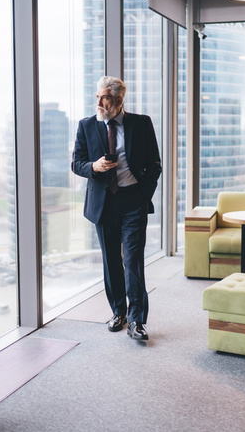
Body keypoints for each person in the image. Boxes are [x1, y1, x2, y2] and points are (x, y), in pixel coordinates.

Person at [71, 76, 161, 341]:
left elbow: (154, 164)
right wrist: (94, 167)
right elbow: (76, 163)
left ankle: (137, 321)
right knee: (111, 261)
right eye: (97, 96)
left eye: (104, 98)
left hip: (133, 200)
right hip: (103, 203)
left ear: (119, 100)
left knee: (133, 261)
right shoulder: (86, 126)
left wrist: (144, 196)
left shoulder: (141, 124)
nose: (98, 102)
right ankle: (118, 313)